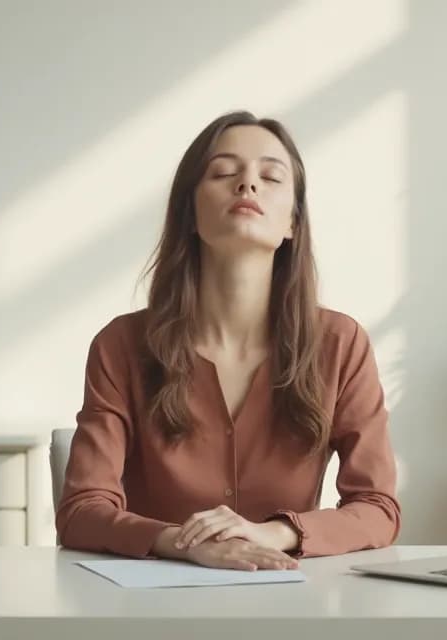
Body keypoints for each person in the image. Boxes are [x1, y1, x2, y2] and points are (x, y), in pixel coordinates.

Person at [55, 111, 400, 571]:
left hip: (290, 603)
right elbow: (81, 511)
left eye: (271, 177)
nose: (248, 185)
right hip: (153, 611)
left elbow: (378, 507)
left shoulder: (341, 343)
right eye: (223, 173)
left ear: (292, 224)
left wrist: (272, 533)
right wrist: (183, 542)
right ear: (190, 214)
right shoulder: (121, 345)